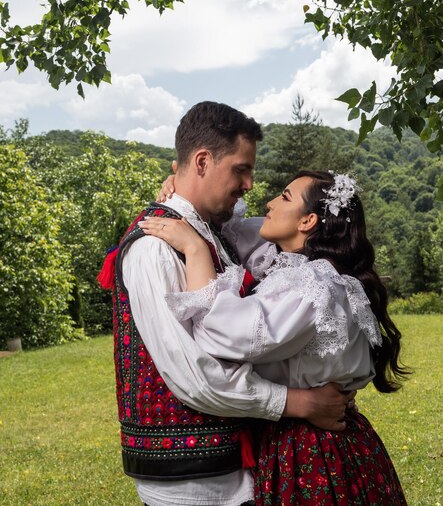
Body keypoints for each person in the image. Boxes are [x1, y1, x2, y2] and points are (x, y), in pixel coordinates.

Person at [98, 102, 355, 506]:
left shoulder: (212, 233)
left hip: (230, 464)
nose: (250, 185)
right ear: (202, 161)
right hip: (192, 480)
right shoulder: (154, 248)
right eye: (241, 169)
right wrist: (299, 402)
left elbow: (269, 240)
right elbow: (194, 376)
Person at [139, 169, 408, 505]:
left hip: (311, 447)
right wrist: (184, 188)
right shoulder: (301, 269)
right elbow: (234, 231)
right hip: (329, 437)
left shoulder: (312, 287)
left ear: (308, 221)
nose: (268, 202)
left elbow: (223, 336)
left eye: (284, 197)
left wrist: (195, 249)